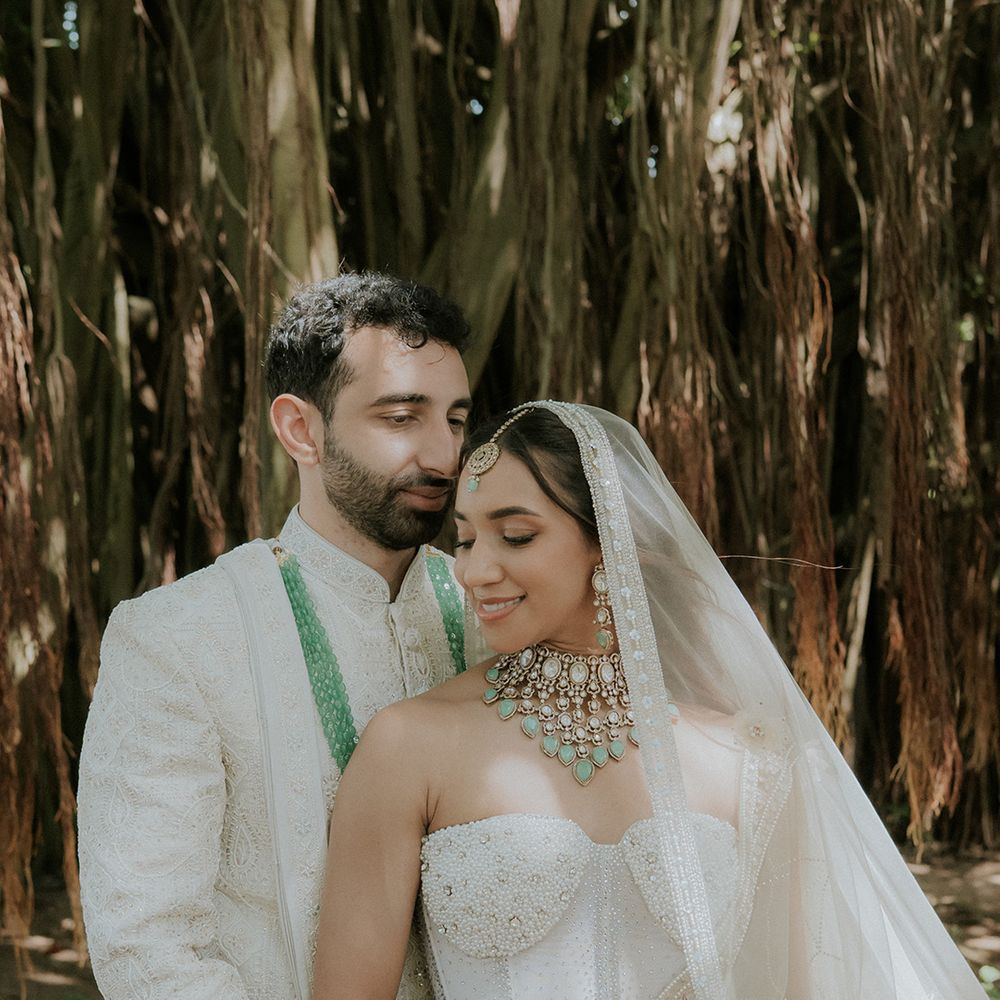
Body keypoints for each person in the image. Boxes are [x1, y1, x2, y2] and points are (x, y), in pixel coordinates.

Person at [312, 401, 985, 1000]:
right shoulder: (410, 744)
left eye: (515, 535)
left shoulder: (753, 759)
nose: (473, 568)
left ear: (612, 544)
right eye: (464, 538)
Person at [77, 272, 483, 1000]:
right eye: (401, 418)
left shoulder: (500, 612)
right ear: (301, 429)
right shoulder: (179, 638)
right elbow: (148, 948)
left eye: (455, 419)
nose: (443, 455)